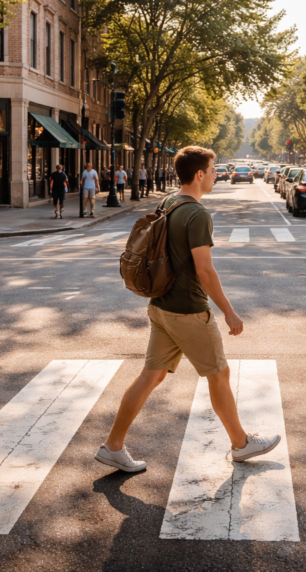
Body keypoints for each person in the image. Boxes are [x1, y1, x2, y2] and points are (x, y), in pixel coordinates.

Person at [95, 146, 280, 473]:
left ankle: (113, 446)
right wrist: (229, 312)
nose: (214, 175)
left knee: (149, 377)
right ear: (199, 174)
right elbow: (205, 271)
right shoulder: (197, 214)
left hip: (161, 306)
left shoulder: (167, 202)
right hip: (188, 312)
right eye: (211, 170)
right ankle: (241, 444)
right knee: (219, 374)